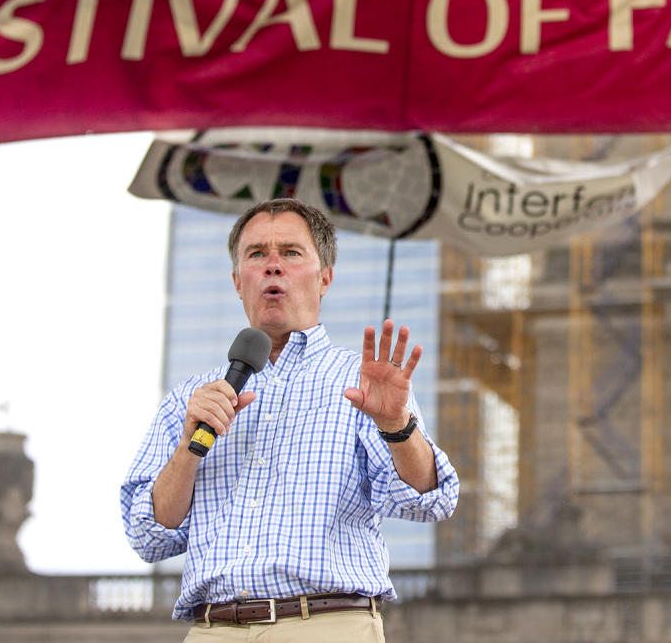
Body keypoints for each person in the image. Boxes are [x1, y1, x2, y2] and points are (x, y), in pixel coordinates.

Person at [120, 198, 459, 641]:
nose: (272, 266)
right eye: (256, 254)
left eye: (291, 253)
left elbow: (429, 501)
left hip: (326, 623)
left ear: (325, 279)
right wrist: (188, 449)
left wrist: (396, 425)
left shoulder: (363, 384)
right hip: (212, 629)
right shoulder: (192, 399)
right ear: (237, 282)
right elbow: (149, 535)